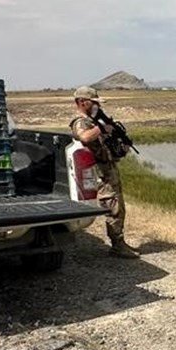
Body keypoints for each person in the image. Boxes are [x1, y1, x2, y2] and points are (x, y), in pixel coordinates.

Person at [70, 86, 140, 259]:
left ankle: (119, 242)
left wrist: (120, 147)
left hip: (108, 169)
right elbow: (84, 137)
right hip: (99, 172)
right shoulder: (80, 121)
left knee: (118, 206)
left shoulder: (93, 122)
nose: (96, 106)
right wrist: (102, 128)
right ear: (82, 102)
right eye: (93, 103)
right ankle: (117, 245)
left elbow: (104, 145)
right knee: (113, 207)